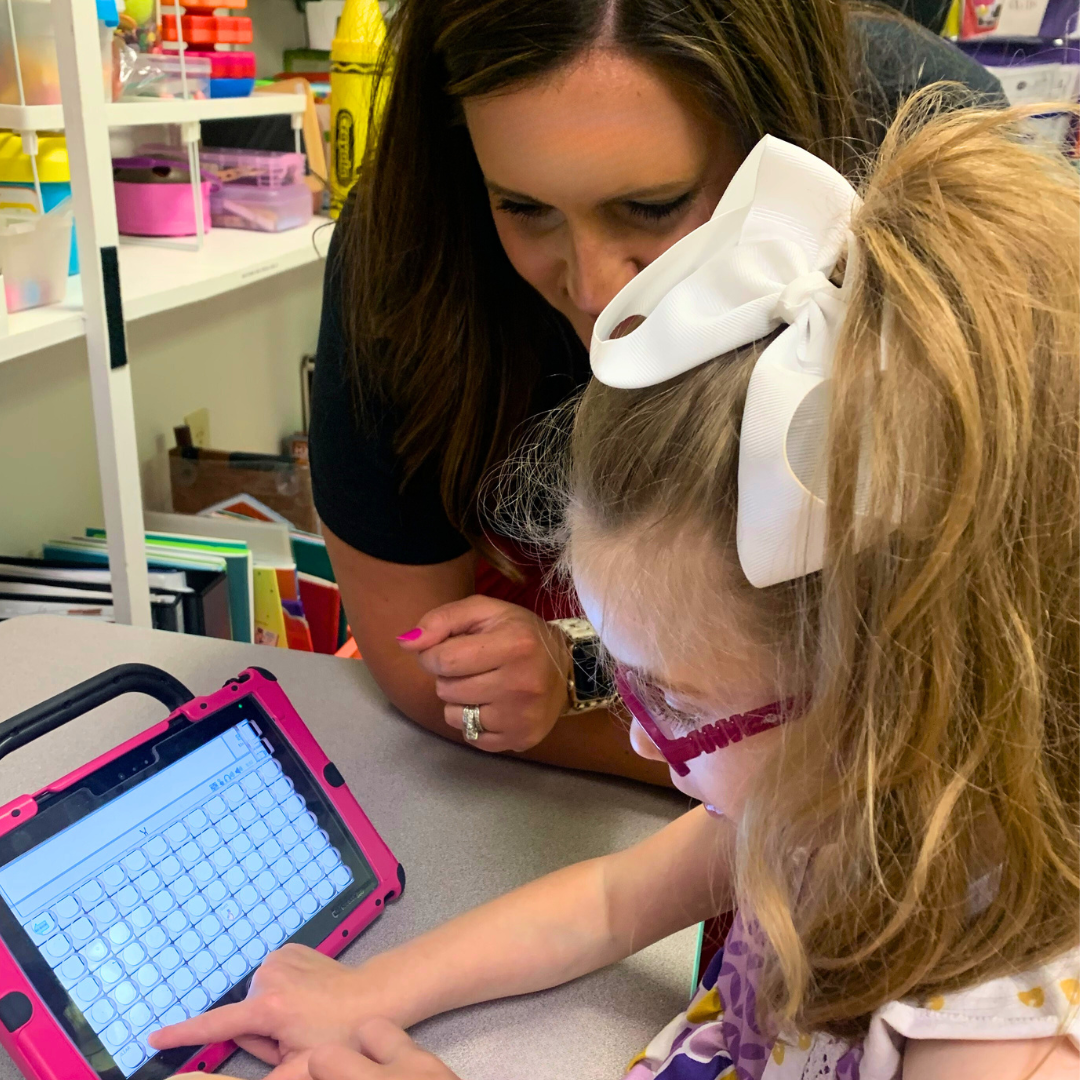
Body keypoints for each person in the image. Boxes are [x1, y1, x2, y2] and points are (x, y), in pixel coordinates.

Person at [154, 95, 1079, 1079]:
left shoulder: (1000, 1035)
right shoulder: (821, 797)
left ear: (897, 686)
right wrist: (366, 993)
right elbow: (602, 905)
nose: (636, 735)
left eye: (676, 699)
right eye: (615, 664)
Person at [308, 0, 1003, 780]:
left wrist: (716, 758)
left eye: (652, 206)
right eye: (524, 208)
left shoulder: (925, 153)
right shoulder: (410, 252)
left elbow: (967, 698)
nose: (597, 293)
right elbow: (427, 668)